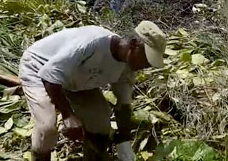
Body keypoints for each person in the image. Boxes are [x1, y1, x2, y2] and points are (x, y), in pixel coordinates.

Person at [19, 21, 167, 161]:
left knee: (101, 121)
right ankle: (40, 157)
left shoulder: (127, 68)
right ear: (133, 45)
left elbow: (124, 106)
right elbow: (49, 75)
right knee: (47, 127)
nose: (146, 66)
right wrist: (67, 115)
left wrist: (124, 141)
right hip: (39, 69)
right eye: (146, 59)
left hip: (75, 79)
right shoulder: (92, 44)